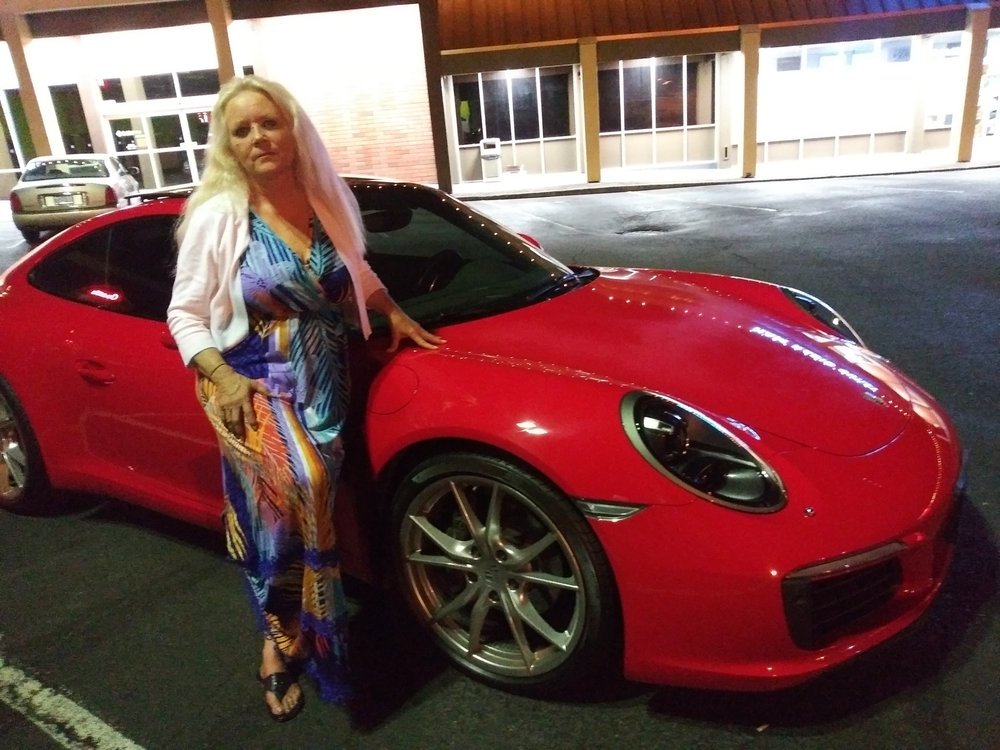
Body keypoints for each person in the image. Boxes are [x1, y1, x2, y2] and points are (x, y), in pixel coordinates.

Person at [167, 74, 444, 722]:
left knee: (292, 518)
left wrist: (392, 311)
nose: (258, 137)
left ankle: (294, 629)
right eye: (242, 130)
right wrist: (223, 376)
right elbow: (184, 314)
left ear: (292, 129)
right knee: (306, 487)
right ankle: (285, 640)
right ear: (227, 145)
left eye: (269, 123)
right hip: (251, 379)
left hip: (323, 381)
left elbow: (355, 271)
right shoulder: (219, 215)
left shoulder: (322, 199)